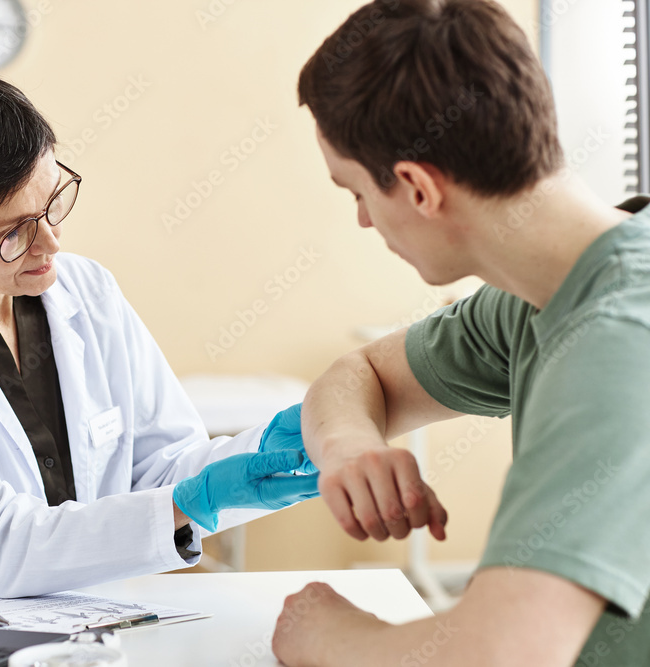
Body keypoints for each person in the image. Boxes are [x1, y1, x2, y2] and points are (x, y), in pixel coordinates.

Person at [0, 69, 319, 598]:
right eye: (11, 232)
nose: (51, 244)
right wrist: (186, 503)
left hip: (111, 607)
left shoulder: (88, 290)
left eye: (52, 203)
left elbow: (165, 471)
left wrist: (251, 458)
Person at [271, 1, 650, 665]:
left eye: (356, 191)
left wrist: (320, 634)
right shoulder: (539, 294)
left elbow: (500, 655)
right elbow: (360, 373)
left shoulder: (621, 334)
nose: (363, 220)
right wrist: (351, 447)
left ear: (417, 187)